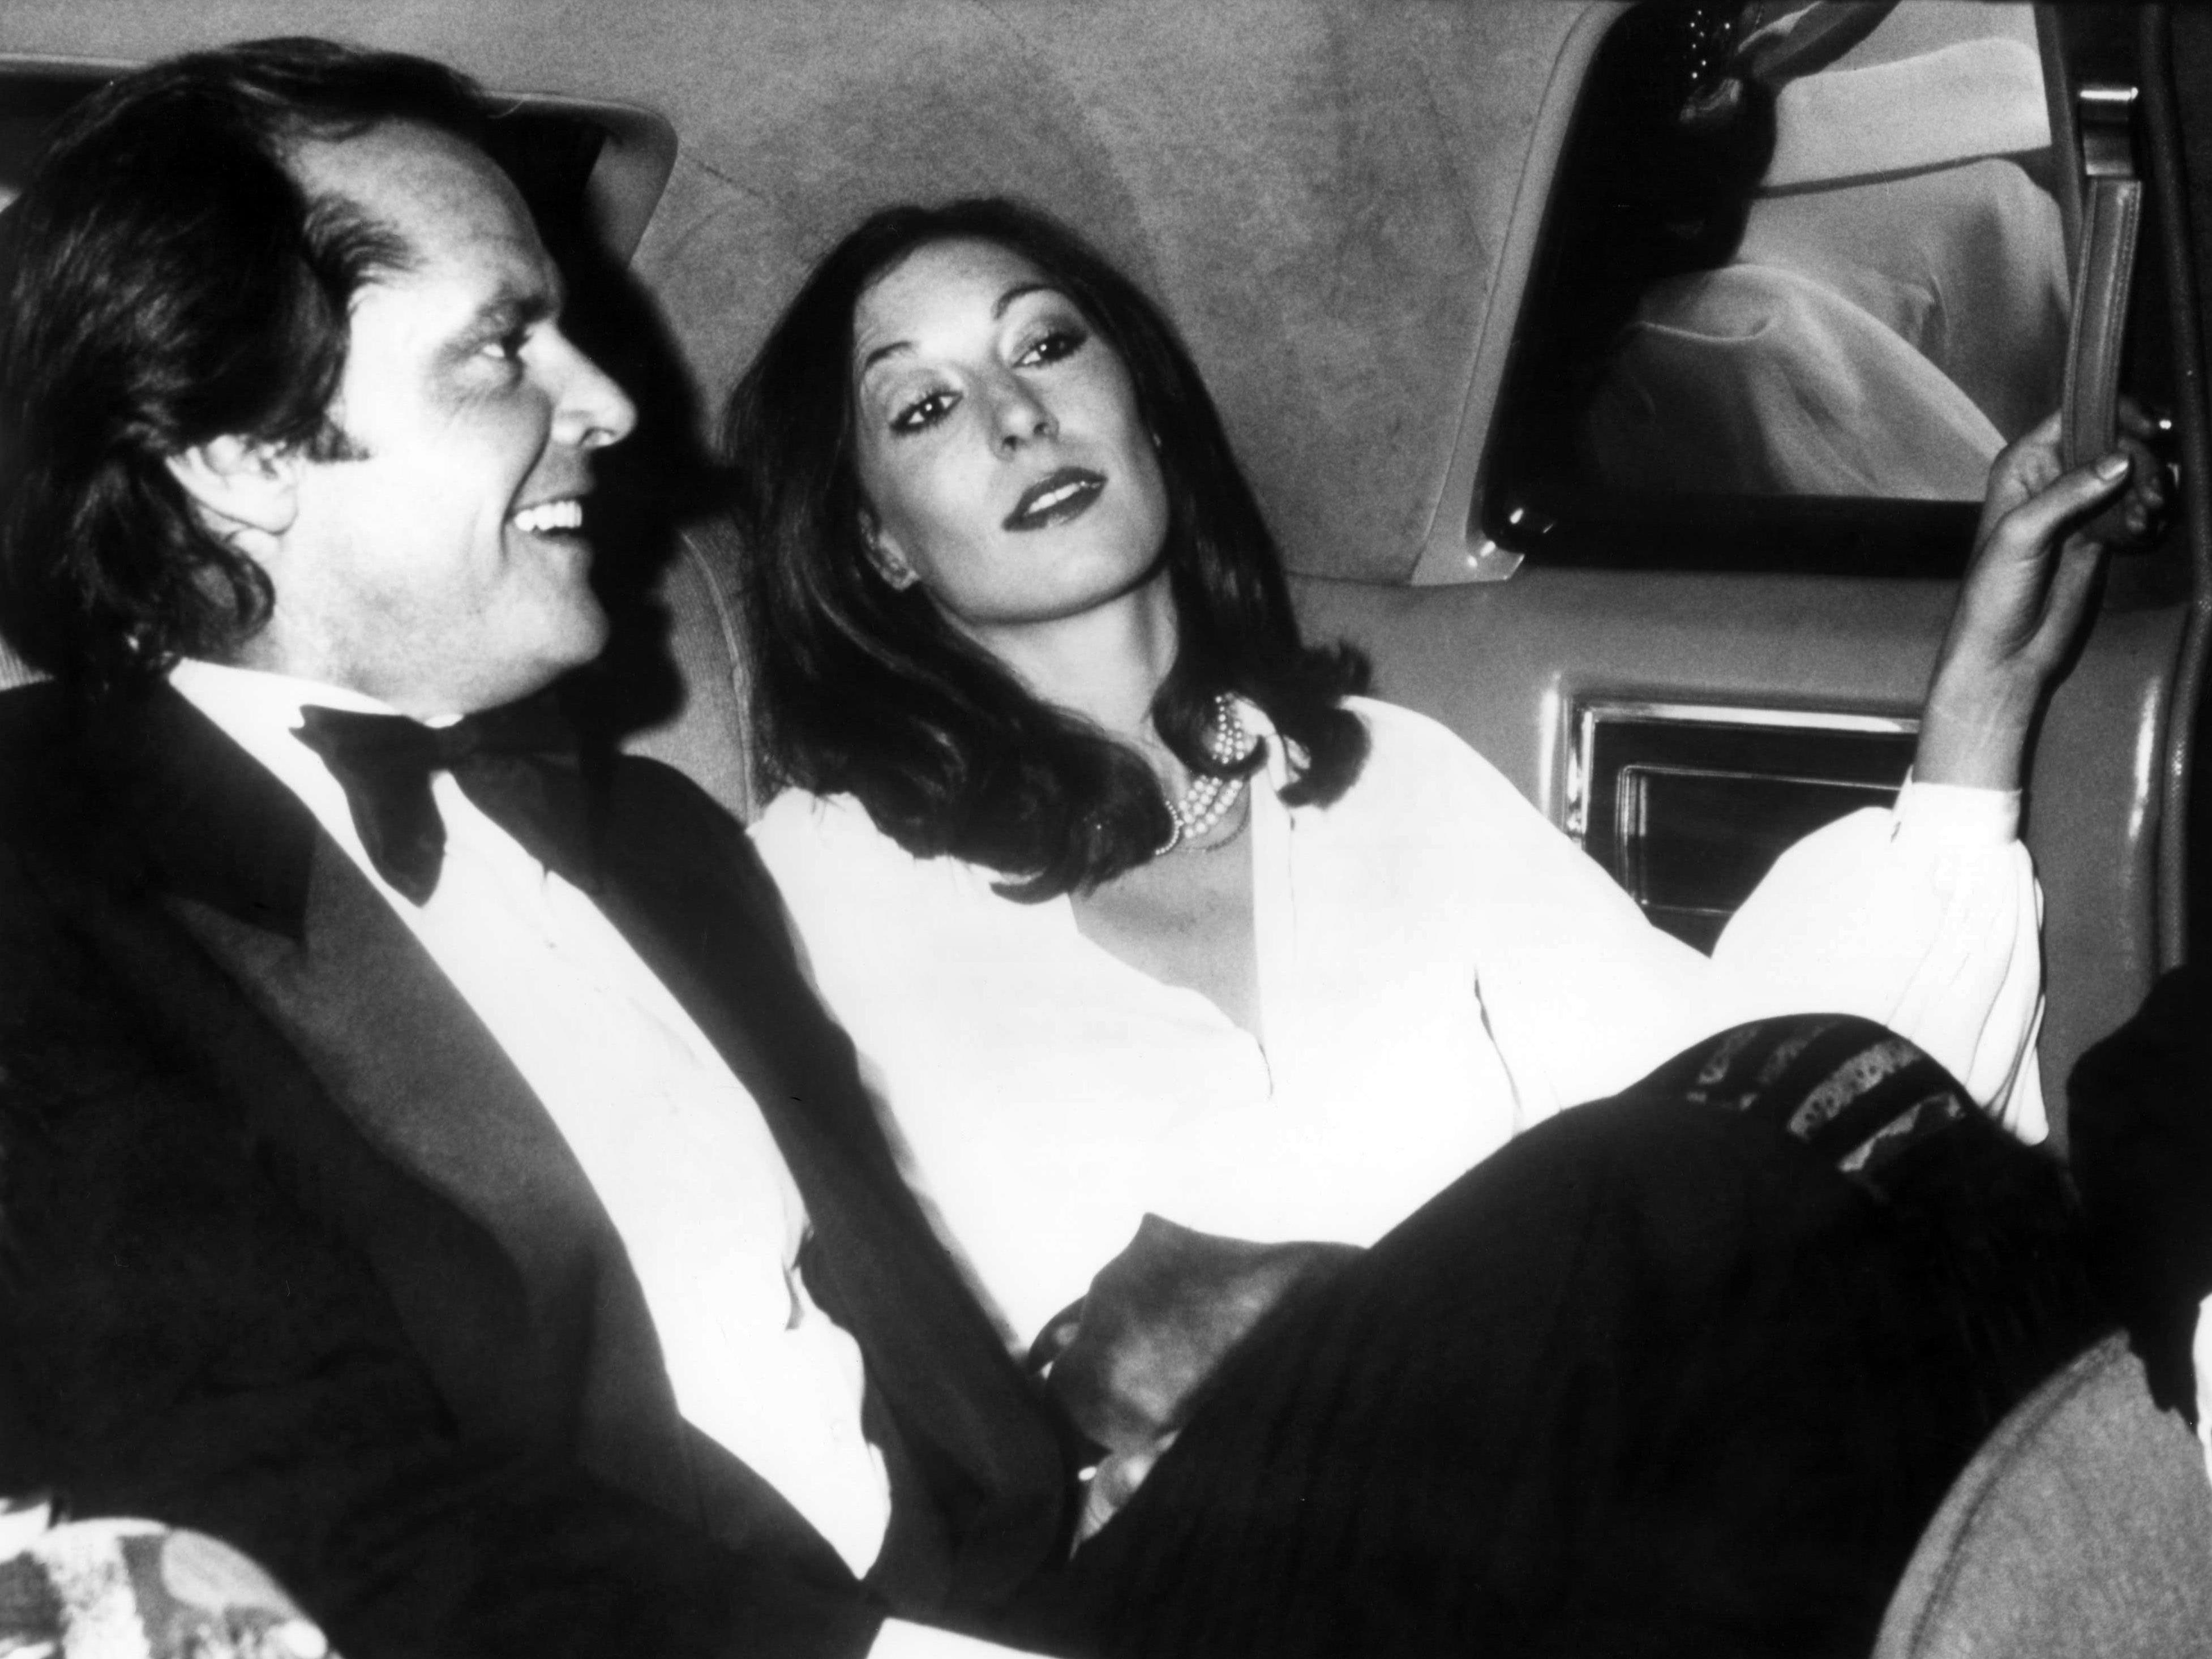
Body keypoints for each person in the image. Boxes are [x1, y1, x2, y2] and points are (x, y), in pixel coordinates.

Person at [728, 196, 2164, 1651]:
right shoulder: (812, 880)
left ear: (1142, 404)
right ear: (878, 542)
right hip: (1178, 1574)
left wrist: (1983, 688)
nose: (1019, 415)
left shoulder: (1382, 775)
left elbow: (1736, 1090)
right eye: (924, 406)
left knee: (1914, 1136)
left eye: (1045, 345)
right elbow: (748, 1333)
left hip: (1527, 1520)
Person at [0, 40, 1080, 1659]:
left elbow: (915, 1364)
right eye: (503, 346)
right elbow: (272, 1507)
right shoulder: (38, 874)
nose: (612, 403)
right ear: (242, 452)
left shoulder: (660, 843)